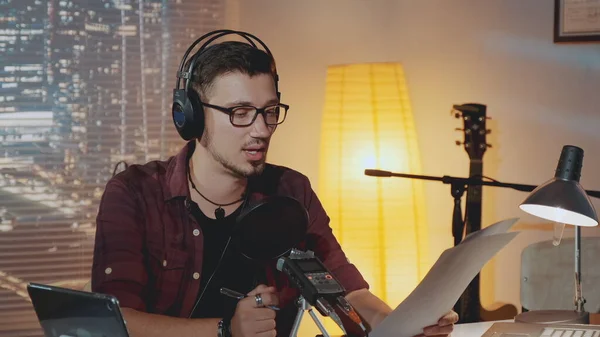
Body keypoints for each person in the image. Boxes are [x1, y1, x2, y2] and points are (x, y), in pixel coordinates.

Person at [91, 30, 458, 337]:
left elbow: (345, 288)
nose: (261, 130)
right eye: (240, 113)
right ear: (192, 116)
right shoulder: (135, 193)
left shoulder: (291, 190)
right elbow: (116, 320)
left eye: (269, 111)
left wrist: (397, 324)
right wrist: (225, 330)